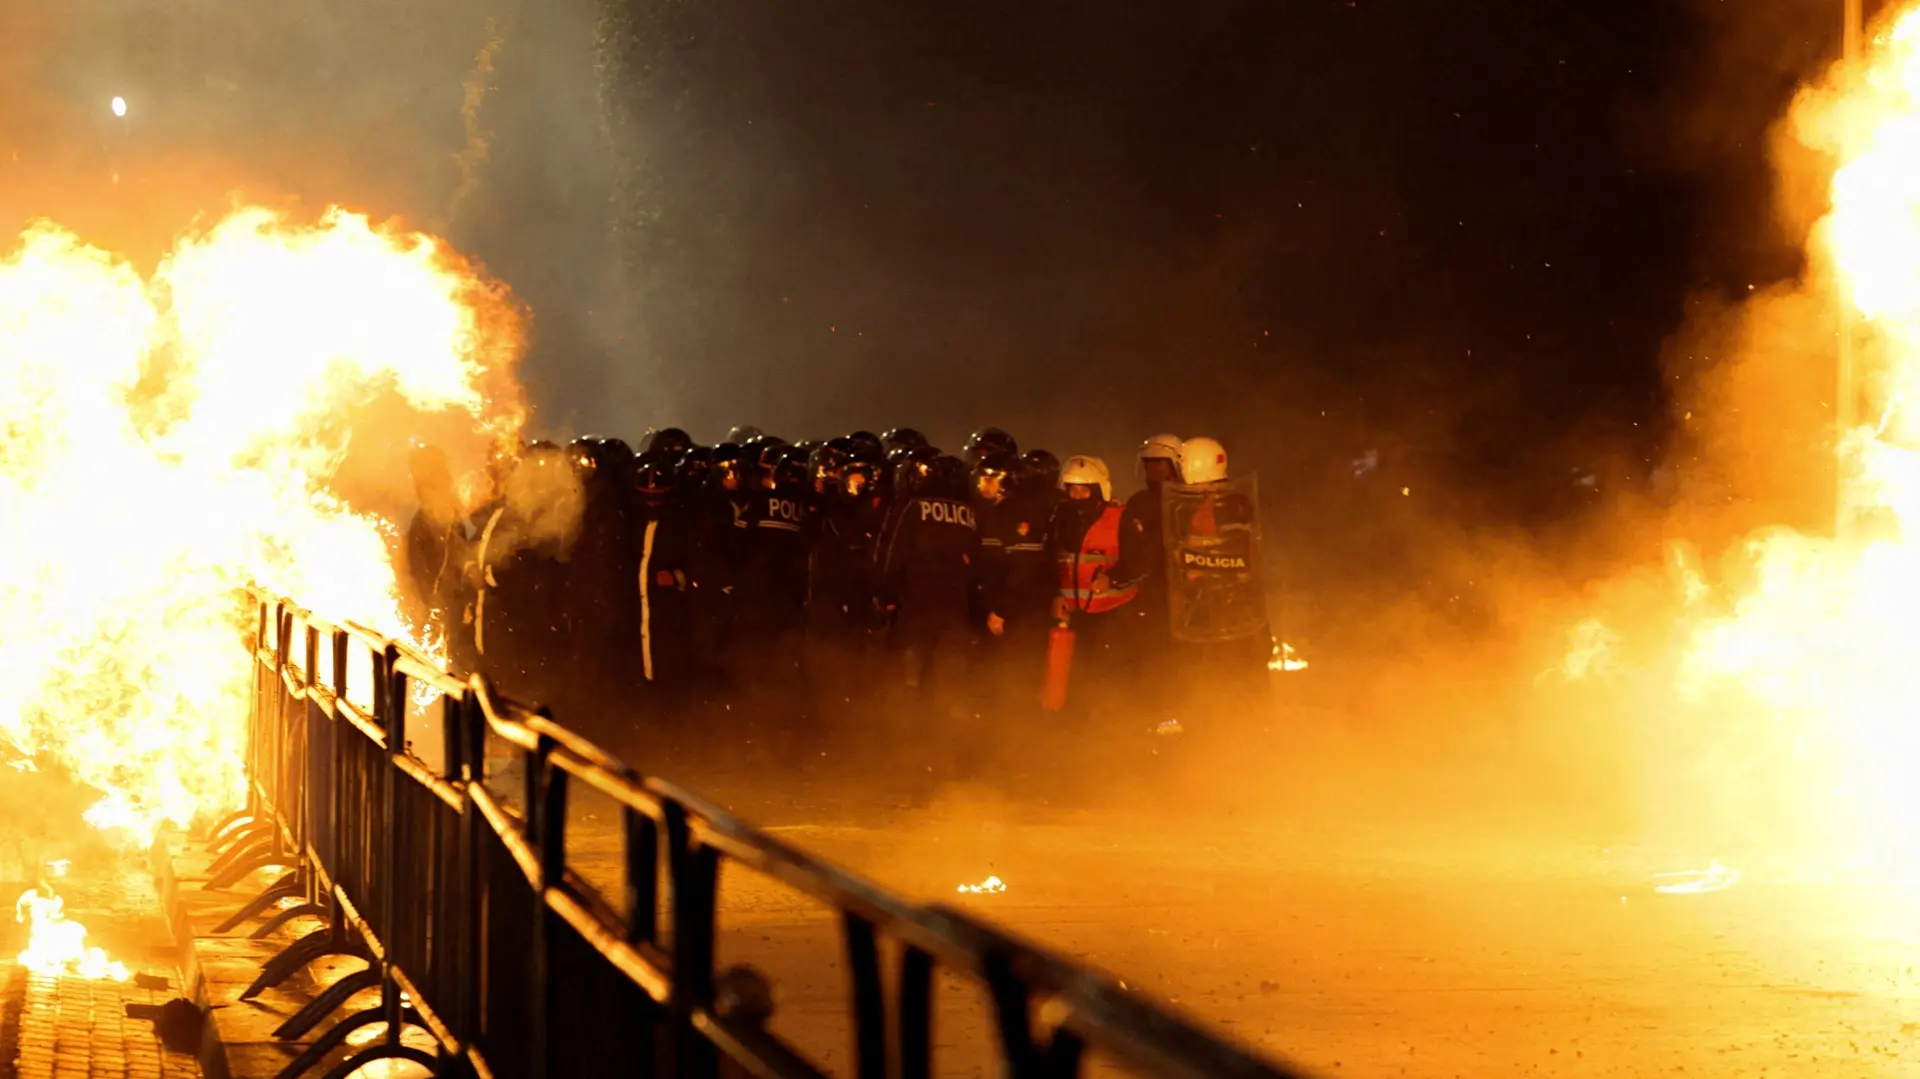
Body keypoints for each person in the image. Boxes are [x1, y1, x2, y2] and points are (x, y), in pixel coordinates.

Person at [1166, 436, 1271, 709]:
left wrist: (1194, 565)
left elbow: (1237, 557)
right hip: (1209, 613)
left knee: (1239, 695)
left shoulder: (1230, 505)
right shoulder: (1198, 505)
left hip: (1231, 613)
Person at [878, 453, 978, 709]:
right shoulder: (968, 512)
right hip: (957, 605)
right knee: (951, 671)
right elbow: (976, 560)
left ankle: (909, 728)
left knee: (912, 669)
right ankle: (949, 733)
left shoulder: (913, 507)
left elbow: (894, 554)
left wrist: (887, 595)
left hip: (917, 602)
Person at [1046, 454, 1137, 713]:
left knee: (1108, 685)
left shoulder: (1121, 518)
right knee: (1070, 682)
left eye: (1083, 490)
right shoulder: (1059, 519)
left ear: (1098, 490)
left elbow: (1142, 560)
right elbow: (1049, 561)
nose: (1076, 497)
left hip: (1114, 615)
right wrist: (1055, 595)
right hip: (1072, 617)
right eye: (1071, 489)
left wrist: (1114, 578)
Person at [971, 448, 1051, 714]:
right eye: (981, 477)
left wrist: (1002, 610)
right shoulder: (992, 512)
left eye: (990, 477)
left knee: (1013, 681)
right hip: (999, 609)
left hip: (1017, 616)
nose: (983, 483)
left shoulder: (1017, 514)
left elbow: (1024, 569)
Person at [1112, 433, 1183, 653]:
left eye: (1159, 463)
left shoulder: (1191, 500)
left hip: (1187, 595)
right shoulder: (1139, 502)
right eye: (1148, 463)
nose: (1152, 469)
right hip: (1148, 596)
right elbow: (1130, 550)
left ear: (1177, 465)